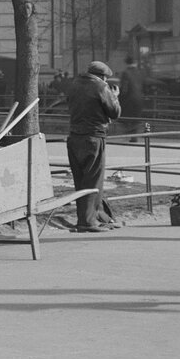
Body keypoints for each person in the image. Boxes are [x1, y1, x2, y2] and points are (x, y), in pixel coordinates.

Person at [65, 61, 122, 232]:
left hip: (75, 136)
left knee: (80, 179)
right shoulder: (101, 87)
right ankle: (88, 222)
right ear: (102, 76)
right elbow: (115, 112)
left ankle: (94, 216)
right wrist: (115, 96)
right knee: (93, 179)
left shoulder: (74, 84)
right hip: (94, 137)